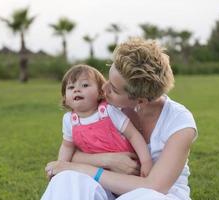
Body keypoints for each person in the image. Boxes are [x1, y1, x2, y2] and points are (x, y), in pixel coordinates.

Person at [41, 38, 197, 200]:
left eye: (113, 89)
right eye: (108, 80)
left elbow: (154, 186)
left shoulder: (179, 123)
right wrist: (109, 160)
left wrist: (86, 168)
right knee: (66, 179)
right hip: (108, 189)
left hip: (154, 195)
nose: (104, 88)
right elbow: (72, 152)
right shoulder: (106, 108)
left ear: (140, 100)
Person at [58, 64, 152, 177]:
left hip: (125, 170)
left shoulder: (108, 111)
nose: (77, 90)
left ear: (100, 92)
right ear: (65, 99)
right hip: (94, 172)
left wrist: (146, 162)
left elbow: (133, 135)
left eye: (85, 85)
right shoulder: (69, 120)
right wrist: (61, 167)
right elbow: (67, 146)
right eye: (71, 87)